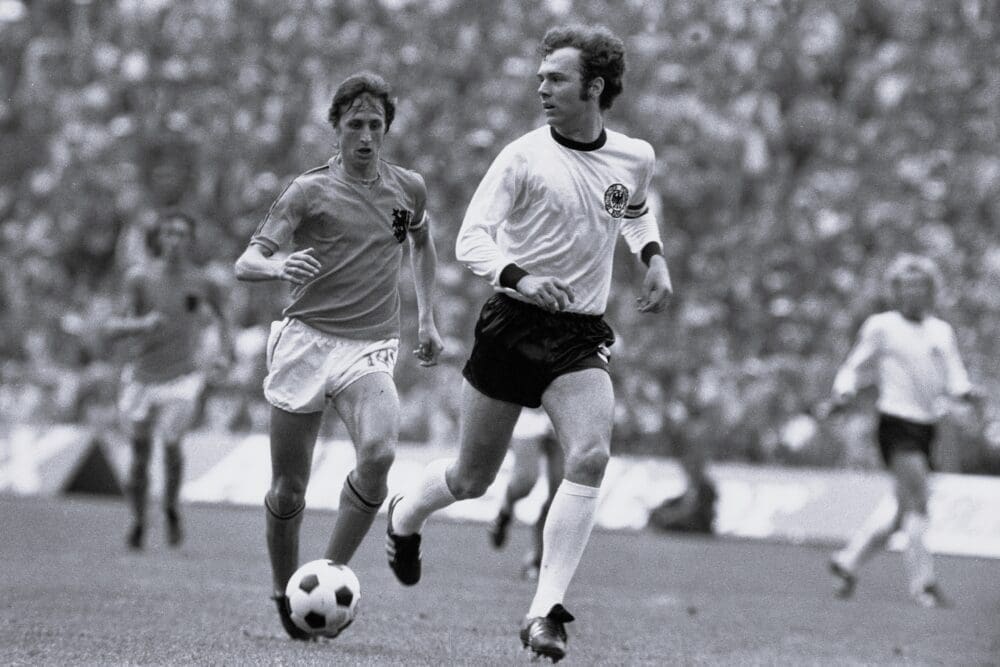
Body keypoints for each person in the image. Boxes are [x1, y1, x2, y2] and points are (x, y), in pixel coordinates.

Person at [384, 26, 672, 662]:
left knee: (590, 457)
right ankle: (405, 515)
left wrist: (652, 257)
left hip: (578, 334)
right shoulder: (521, 157)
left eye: (556, 78)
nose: (541, 87)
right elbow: (471, 239)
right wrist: (522, 278)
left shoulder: (634, 156)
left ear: (594, 88)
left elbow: (633, 209)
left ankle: (545, 611)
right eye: (541, 77)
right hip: (512, 323)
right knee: (472, 478)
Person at [234, 72, 444, 641]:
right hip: (306, 342)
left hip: (369, 345)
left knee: (379, 453)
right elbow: (247, 262)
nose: (366, 136)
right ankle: (285, 591)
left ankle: (326, 577)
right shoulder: (309, 191)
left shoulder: (408, 189)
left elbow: (423, 243)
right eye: (355, 125)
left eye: (375, 125)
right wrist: (277, 265)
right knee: (288, 489)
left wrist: (426, 317)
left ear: (387, 129)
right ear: (336, 129)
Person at [825, 254, 981, 608]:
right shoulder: (882, 326)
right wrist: (843, 392)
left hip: (926, 426)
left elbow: (955, 378)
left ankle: (847, 562)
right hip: (896, 423)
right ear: (895, 291)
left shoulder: (941, 331)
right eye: (906, 286)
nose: (913, 292)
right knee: (920, 499)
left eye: (920, 286)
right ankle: (923, 584)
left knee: (901, 512)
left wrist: (967, 393)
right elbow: (853, 367)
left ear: (931, 290)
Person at [105, 210, 233, 551]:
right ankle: (138, 519)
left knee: (171, 440)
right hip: (141, 378)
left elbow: (223, 320)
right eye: (168, 233)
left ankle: (171, 507)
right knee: (139, 455)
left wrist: (224, 354)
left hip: (182, 378)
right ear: (159, 238)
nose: (174, 240)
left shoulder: (202, 281)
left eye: (181, 234)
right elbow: (112, 326)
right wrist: (141, 324)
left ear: (191, 240)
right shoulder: (139, 278)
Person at [486, 409, 565, 581]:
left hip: (564, 412)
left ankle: (537, 557)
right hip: (530, 411)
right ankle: (505, 510)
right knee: (525, 481)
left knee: (561, 495)